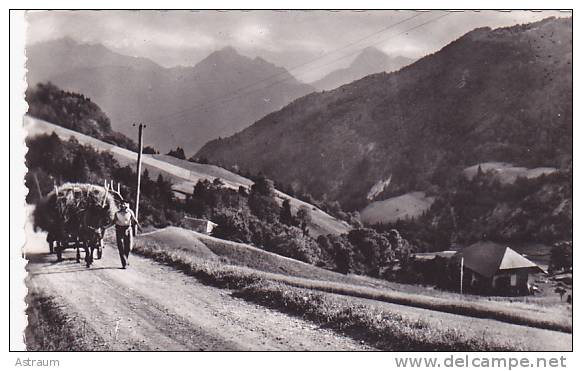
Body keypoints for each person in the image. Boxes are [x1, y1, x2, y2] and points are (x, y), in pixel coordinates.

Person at [114, 202, 139, 269]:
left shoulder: (130, 212)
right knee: (120, 246)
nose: (123, 206)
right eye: (122, 205)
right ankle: (124, 262)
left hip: (128, 229)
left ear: (127, 206)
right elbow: (114, 221)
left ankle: (126, 258)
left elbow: (134, 221)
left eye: (125, 205)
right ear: (120, 206)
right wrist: (105, 227)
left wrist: (134, 223)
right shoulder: (117, 213)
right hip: (119, 229)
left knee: (128, 247)